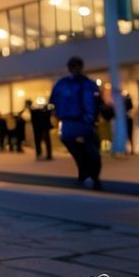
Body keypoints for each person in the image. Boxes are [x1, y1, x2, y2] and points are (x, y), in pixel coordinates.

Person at [50, 56, 102, 189]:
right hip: (80, 122)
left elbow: (54, 101)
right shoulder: (87, 84)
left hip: (74, 122)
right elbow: (96, 102)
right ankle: (90, 176)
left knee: (83, 150)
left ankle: (87, 175)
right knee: (89, 150)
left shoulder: (64, 84)